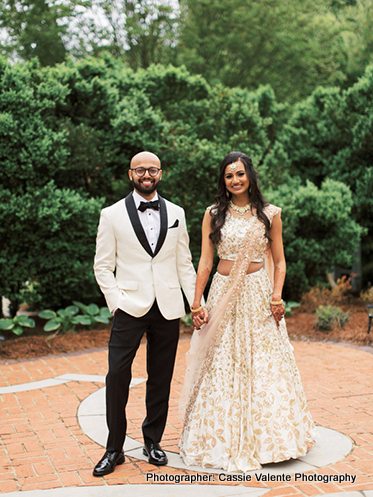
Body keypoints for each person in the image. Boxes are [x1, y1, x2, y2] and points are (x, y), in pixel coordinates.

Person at [179, 151, 318, 472]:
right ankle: (220, 439)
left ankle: (272, 439)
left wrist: (276, 296)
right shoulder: (213, 213)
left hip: (258, 294)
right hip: (222, 293)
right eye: (229, 176)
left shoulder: (270, 214)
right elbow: (204, 262)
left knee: (264, 361)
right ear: (223, 181)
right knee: (222, 362)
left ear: (250, 176)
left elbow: (281, 261)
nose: (235, 180)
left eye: (240, 174)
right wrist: (196, 302)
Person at [93, 151, 197, 477]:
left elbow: (185, 264)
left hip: (167, 308)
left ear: (161, 174)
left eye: (152, 169)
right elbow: (102, 266)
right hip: (129, 307)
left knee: (161, 378)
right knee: (117, 377)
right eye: (140, 170)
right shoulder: (111, 215)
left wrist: (197, 303)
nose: (146, 174)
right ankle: (114, 448)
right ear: (130, 174)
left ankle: (153, 442)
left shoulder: (177, 213)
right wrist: (116, 301)